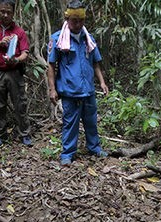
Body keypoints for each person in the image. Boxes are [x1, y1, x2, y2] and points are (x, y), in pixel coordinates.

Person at [46, 0, 109, 166]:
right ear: (67, 19)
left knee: (91, 121)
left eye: (81, 20)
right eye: (75, 20)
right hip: (69, 91)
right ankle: (67, 153)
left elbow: (95, 63)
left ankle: (94, 147)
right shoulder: (58, 39)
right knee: (70, 124)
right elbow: (51, 65)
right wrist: (52, 89)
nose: (78, 24)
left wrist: (102, 82)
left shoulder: (88, 38)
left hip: (88, 90)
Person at [0, 0, 32, 148]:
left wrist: (16, 60)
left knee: (20, 104)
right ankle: (1, 135)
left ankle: (25, 134)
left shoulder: (19, 31)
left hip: (14, 73)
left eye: (8, 12)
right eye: (2, 11)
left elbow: (25, 54)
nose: (5, 14)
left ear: (13, 13)